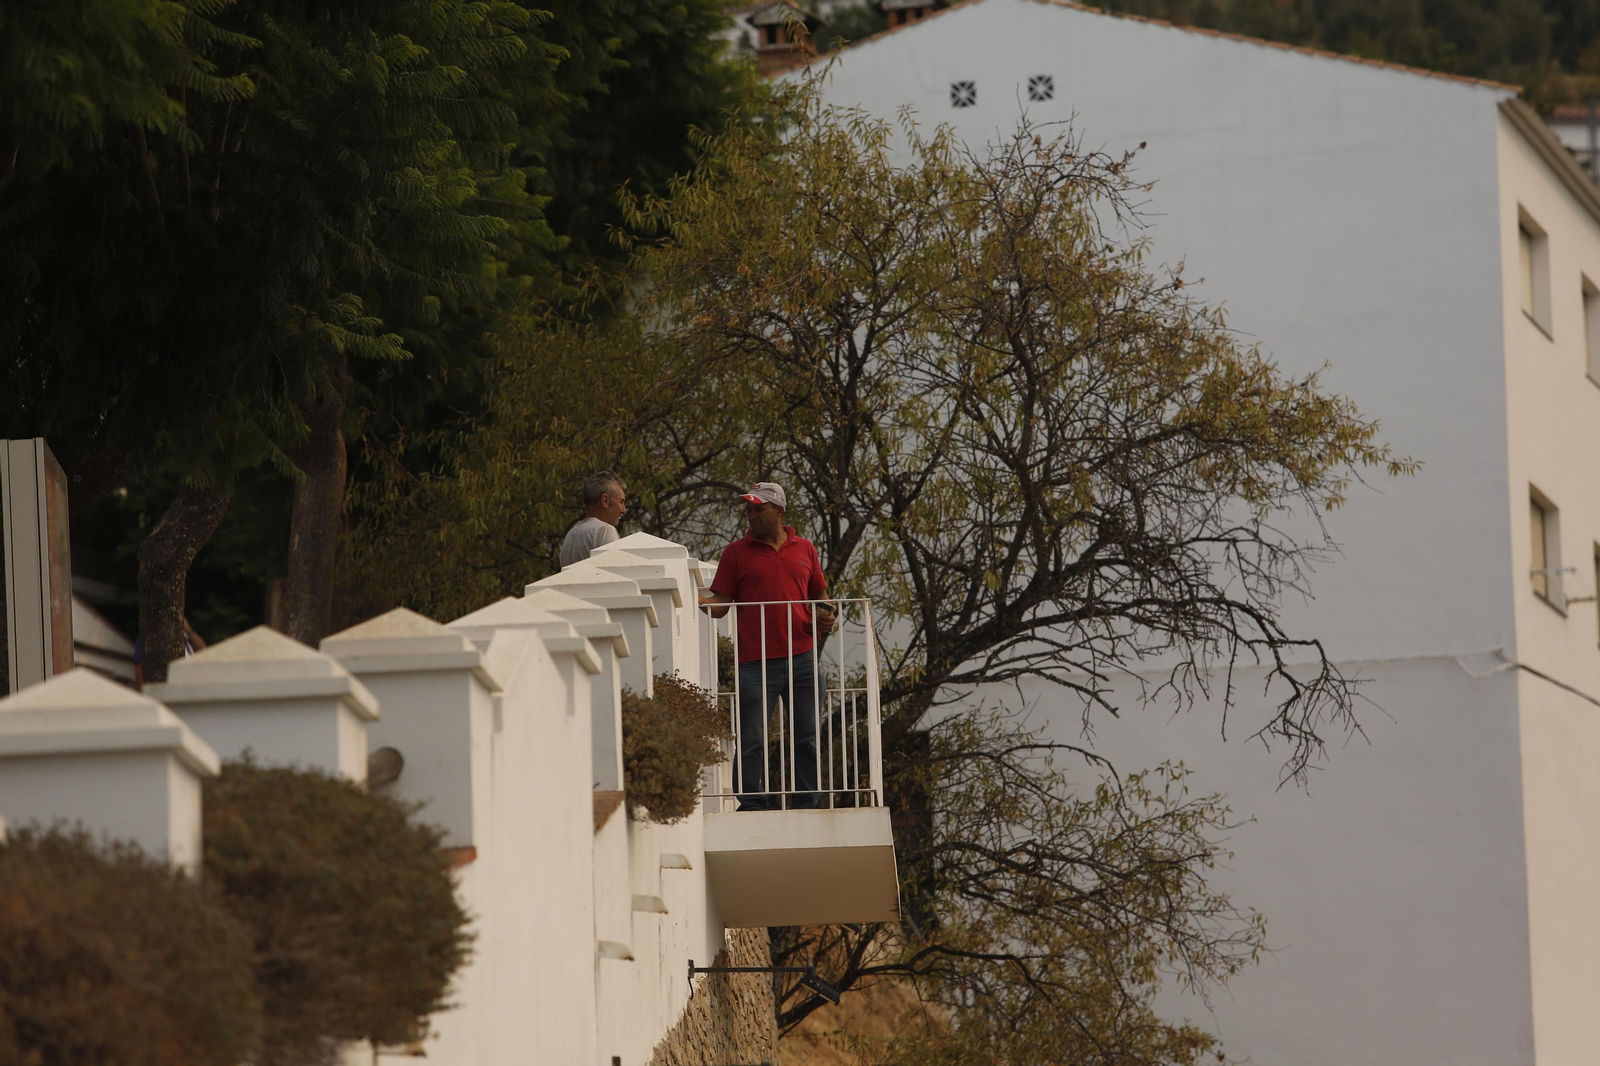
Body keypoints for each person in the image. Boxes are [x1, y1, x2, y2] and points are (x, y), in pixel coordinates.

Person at [698, 482, 834, 810]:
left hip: (802, 658)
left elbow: (819, 595)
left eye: (758, 508)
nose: (751, 515)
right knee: (751, 739)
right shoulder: (735, 552)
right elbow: (721, 604)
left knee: (807, 737)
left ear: (779, 511)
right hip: (755, 663)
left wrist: (827, 615)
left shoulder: (806, 549)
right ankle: (752, 804)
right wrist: (696, 598)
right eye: (748, 509)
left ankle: (807, 803)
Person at [560, 472, 627, 567]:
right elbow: (615, 572)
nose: (624, 510)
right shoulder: (605, 530)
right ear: (605, 501)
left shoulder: (570, 535)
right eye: (621, 502)